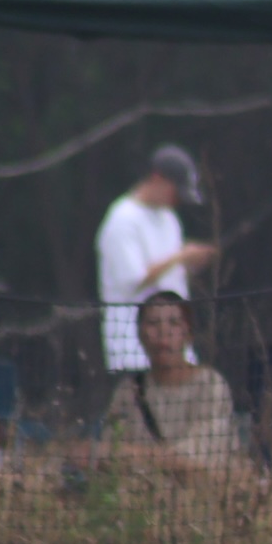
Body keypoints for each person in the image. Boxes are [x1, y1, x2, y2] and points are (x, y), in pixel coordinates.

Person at [97, 146, 216, 375]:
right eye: (175, 191)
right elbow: (134, 281)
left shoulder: (169, 219)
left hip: (177, 349)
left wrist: (190, 264)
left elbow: (169, 280)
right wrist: (182, 255)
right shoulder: (123, 219)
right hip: (134, 351)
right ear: (157, 179)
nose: (177, 199)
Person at [102, 291, 240, 471]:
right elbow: (109, 452)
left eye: (173, 323)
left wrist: (136, 456)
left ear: (188, 333)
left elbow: (201, 456)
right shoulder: (129, 390)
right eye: (152, 323)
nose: (163, 333)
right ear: (140, 334)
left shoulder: (210, 384)